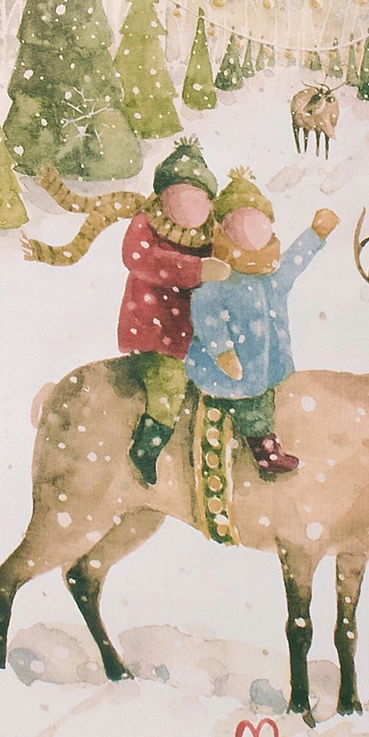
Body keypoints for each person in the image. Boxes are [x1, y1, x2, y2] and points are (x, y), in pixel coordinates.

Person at [185, 170, 338, 475]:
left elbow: (294, 262)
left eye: (258, 224)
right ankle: (264, 450)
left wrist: (316, 234)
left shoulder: (271, 276)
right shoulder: (219, 278)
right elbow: (206, 313)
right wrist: (222, 352)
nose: (252, 234)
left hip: (263, 364)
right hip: (229, 370)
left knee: (264, 396)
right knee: (253, 407)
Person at [120, 140, 231, 485]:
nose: (187, 207)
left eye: (196, 199)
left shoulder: (211, 235)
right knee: (168, 387)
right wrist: (196, 269)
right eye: (178, 197)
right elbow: (138, 258)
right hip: (153, 331)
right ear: (163, 197)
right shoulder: (146, 224)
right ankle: (146, 447)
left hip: (196, 335)